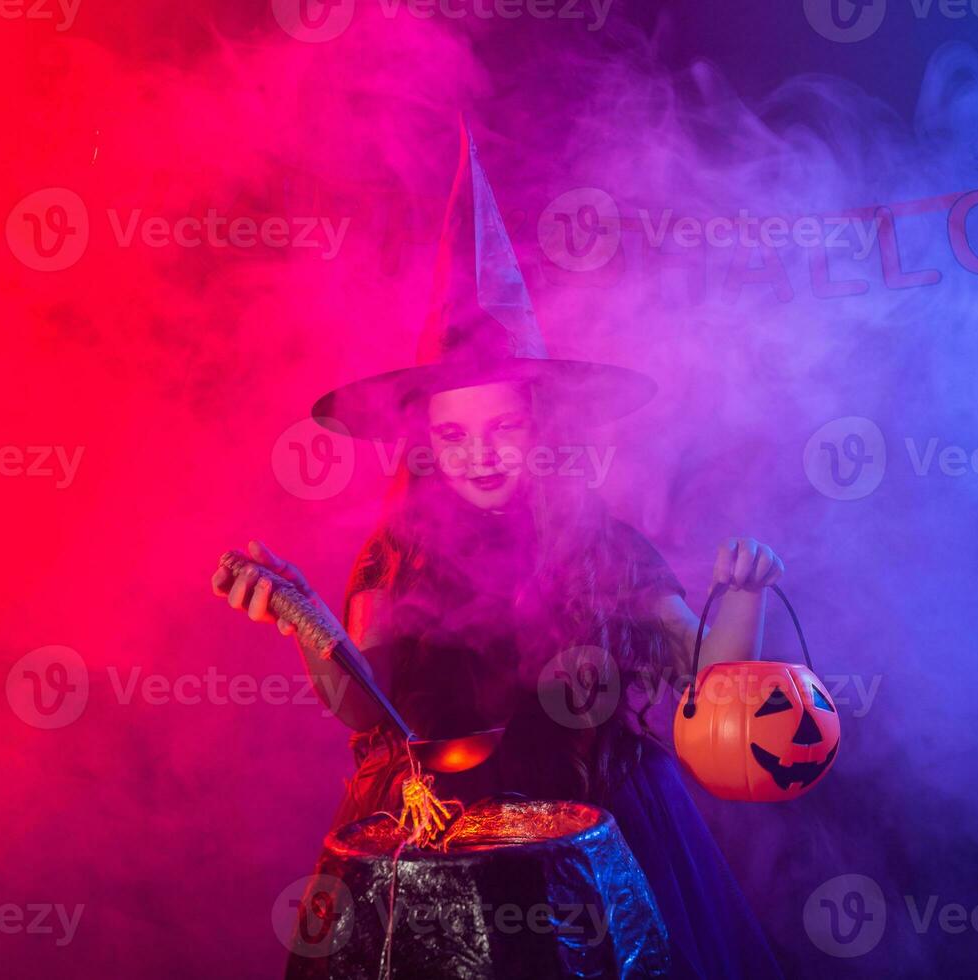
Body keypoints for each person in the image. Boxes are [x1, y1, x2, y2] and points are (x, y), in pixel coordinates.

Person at [211, 123, 787, 978]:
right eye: (453, 433)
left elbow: (715, 692)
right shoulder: (396, 555)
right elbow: (362, 706)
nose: (478, 453)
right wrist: (304, 619)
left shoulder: (606, 550)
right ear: (425, 445)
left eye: (503, 428)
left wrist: (742, 597)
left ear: (539, 430)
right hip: (439, 848)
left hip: (603, 839)